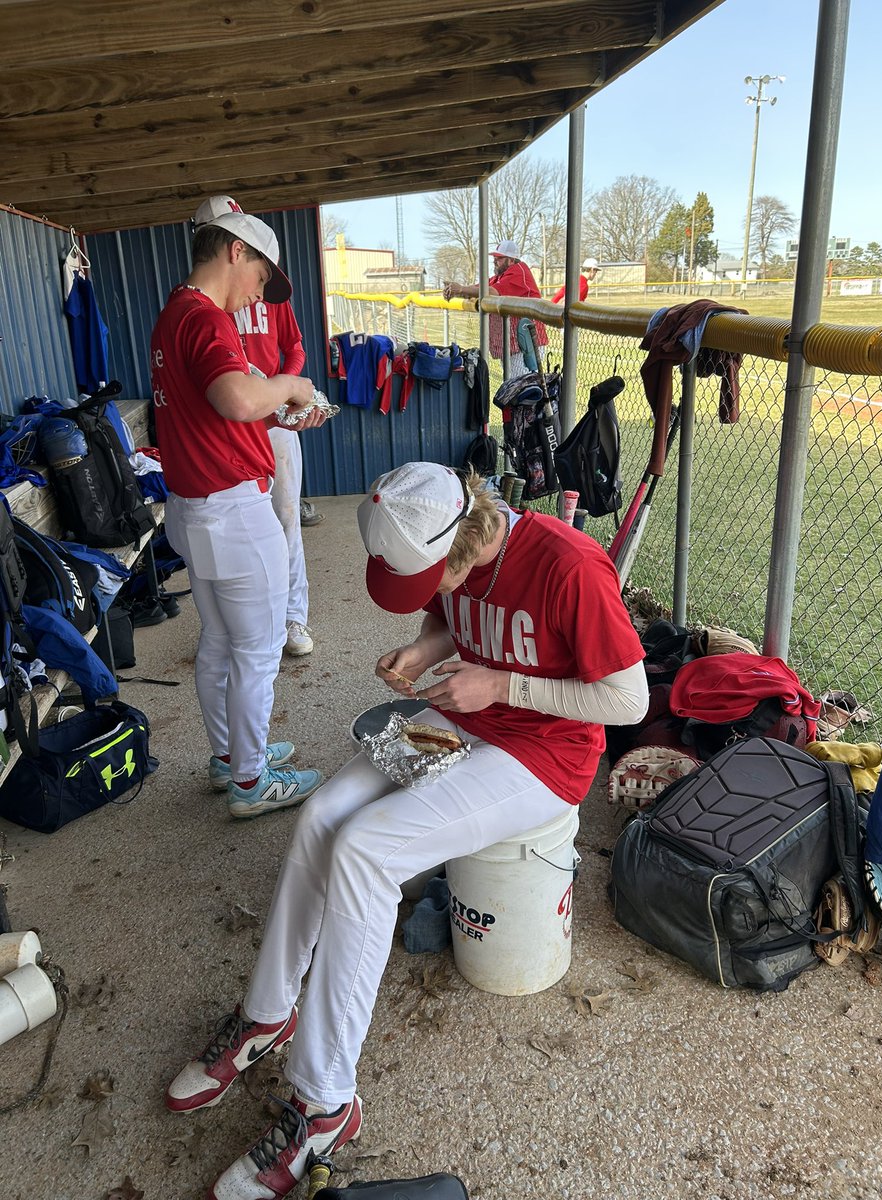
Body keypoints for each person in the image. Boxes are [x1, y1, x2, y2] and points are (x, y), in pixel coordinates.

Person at [165, 461, 648, 1200]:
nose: (425, 592)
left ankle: (325, 1104)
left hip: (543, 754)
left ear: (463, 540)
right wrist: (425, 652)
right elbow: (448, 616)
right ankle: (266, 1013)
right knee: (323, 816)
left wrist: (503, 684)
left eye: (428, 576)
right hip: (461, 714)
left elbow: (628, 699)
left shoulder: (569, 566)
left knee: (367, 848)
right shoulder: (451, 549)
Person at [150, 209, 326, 819]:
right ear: (234, 251)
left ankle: (230, 757)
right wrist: (291, 386)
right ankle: (250, 782)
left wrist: (277, 410)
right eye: (260, 275)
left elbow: (219, 410)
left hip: (195, 507)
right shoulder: (204, 316)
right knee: (258, 649)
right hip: (231, 510)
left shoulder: (175, 312)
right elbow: (236, 397)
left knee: (221, 642)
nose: (258, 292)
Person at [193, 196, 321, 658]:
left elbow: (295, 346)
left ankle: (292, 615)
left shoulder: (259, 290)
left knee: (285, 517)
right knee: (246, 526)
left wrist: (284, 391)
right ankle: (250, 621)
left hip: (272, 419)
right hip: (231, 427)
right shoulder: (200, 306)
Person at [443, 240, 548, 377]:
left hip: (527, 342)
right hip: (515, 342)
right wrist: (457, 290)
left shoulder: (518, 271)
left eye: (499, 258)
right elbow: (479, 288)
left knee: (523, 384)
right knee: (514, 383)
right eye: (495, 258)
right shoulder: (500, 277)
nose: (495, 261)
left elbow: (492, 292)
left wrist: (461, 289)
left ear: (511, 260)